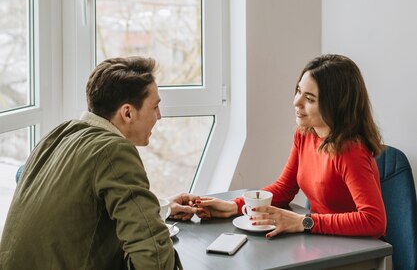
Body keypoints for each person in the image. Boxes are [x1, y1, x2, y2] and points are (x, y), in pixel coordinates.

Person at [0, 56, 196, 269]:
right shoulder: (113, 150)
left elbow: (68, 203)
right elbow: (154, 259)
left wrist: (158, 208)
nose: (159, 116)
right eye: (155, 106)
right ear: (127, 112)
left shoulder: (58, 135)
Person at [194, 54, 387, 239]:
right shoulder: (305, 134)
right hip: (323, 241)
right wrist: (234, 206)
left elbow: (374, 221)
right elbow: (284, 189)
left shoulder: (351, 151)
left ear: (337, 105)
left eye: (310, 99)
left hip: (357, 252)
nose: (297, 102)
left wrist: (304, 222)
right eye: (298, 91)